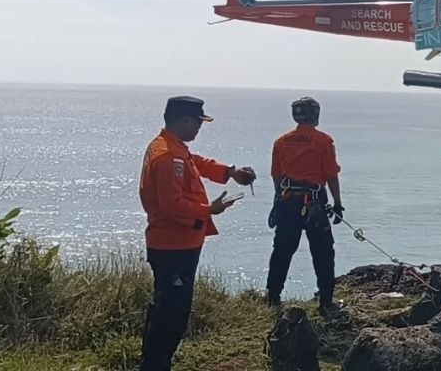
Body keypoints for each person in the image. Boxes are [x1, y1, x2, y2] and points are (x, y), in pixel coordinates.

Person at [138, 96, 256, 371]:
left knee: (166, 308)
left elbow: (197, 163)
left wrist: (230, 172)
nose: (199, 129)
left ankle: (155, 361)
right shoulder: (168, 155)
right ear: (185, 120)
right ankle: (155, 364)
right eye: (198, 123)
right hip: (173, 246)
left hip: (177, 243)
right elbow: (171, 204)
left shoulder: (172, 147)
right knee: (172, 314)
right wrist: (208, 210)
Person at [266, 96, 344, 317]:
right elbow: (331, 176)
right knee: (323, 252)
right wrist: (338, 203)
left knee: (282, 250)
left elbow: (276, 176)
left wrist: (277, 201)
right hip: (314, 204)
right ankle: (326, 301)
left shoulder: (281, 141)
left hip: (287, 201)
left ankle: (272, 297)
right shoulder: (323, 141)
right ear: (315, 115)